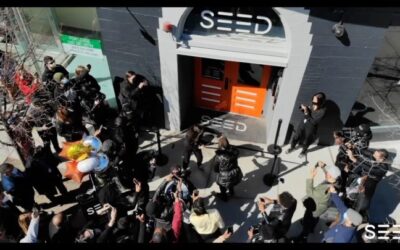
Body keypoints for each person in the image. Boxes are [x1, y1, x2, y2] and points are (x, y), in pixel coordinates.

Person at [295, 161, 342, 242]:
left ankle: (303, 236)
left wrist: (311, 177)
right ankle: (312, 228)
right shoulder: (337, 182)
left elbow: (310, 192)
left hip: (314, 209)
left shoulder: (325, 190)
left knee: (307, 221)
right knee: (315, 219)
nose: (326, 173)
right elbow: (329, 174)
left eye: (327, 173)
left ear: (330, 176)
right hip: (322, 208)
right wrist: (323, 166)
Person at [345, 148, 389, 214]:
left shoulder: (383, 168)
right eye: (374, 154)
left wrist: (353, 158)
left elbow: (370, 169)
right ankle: (349, 205)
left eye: (376, 156)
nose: (373, 155)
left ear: (382, 158)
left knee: (363, 202)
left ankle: (360, 213)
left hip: (369, 184)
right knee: (352, 194)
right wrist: (353, 147)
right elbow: (365, 153)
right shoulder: (374, 158)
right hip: (363, 179)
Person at [285, 92, 327, 158]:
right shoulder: (311, 103)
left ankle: (303, 151)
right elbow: (306, 111)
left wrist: (307, 113)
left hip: (311, 127)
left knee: (307, 141)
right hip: (303, 123)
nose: (313, 103)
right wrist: (302, 108)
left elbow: (314, 122)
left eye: (315, 103)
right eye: (313, 101)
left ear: (320, 103)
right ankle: (292, 147)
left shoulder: (322, 111)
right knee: (296, 136)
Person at [211, 136, 243, 202]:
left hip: (224, 175)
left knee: (222, 186)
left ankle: (224, 197)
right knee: (231, 183)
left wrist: (217, 171)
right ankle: (232, 192)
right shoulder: (234, 151)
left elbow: (216, 167)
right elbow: (236, 151)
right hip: (234, 172)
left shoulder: (219, 156)